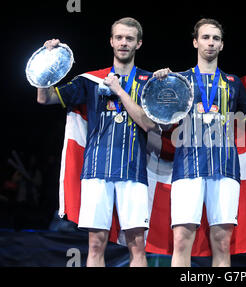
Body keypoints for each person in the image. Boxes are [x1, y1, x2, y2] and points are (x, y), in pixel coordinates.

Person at [36, 17, 158, 267]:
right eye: (120, 38)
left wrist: (120, 90)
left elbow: (148, 123)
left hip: (133, 171)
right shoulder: (90, 80)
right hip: (96, 171)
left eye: (130, 39)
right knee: (94, 245)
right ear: (111, 41)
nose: (124, 43)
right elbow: (44, 98)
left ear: (139, 44)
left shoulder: (149, 82)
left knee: (137, 247)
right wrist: (45, 63)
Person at [156, 18, 246, 267]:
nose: (211, 43)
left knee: (222, 243)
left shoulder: (233, 83)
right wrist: (160, 87)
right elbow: (162, 124)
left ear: (222, 45)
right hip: (187, 168)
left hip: (225, 168)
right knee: (181, 240)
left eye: (216, 39)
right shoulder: (180, 80)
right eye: (206, 37)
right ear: (195, 42)